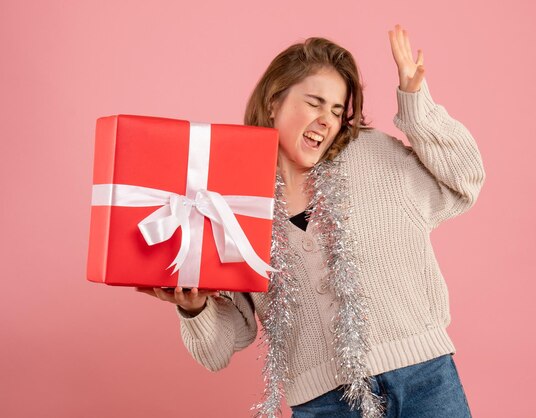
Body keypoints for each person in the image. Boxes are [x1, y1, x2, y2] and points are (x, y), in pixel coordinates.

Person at [136, 24, 485, 418]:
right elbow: (219, 349)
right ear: (273, 102)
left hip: (425, 381)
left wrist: (416, 103)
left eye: (337, 110)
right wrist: (195, 308)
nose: (327, 119)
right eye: (315, 103)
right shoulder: (228, 200)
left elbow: (464, 179)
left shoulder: (372, 156)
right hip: (325, 404)